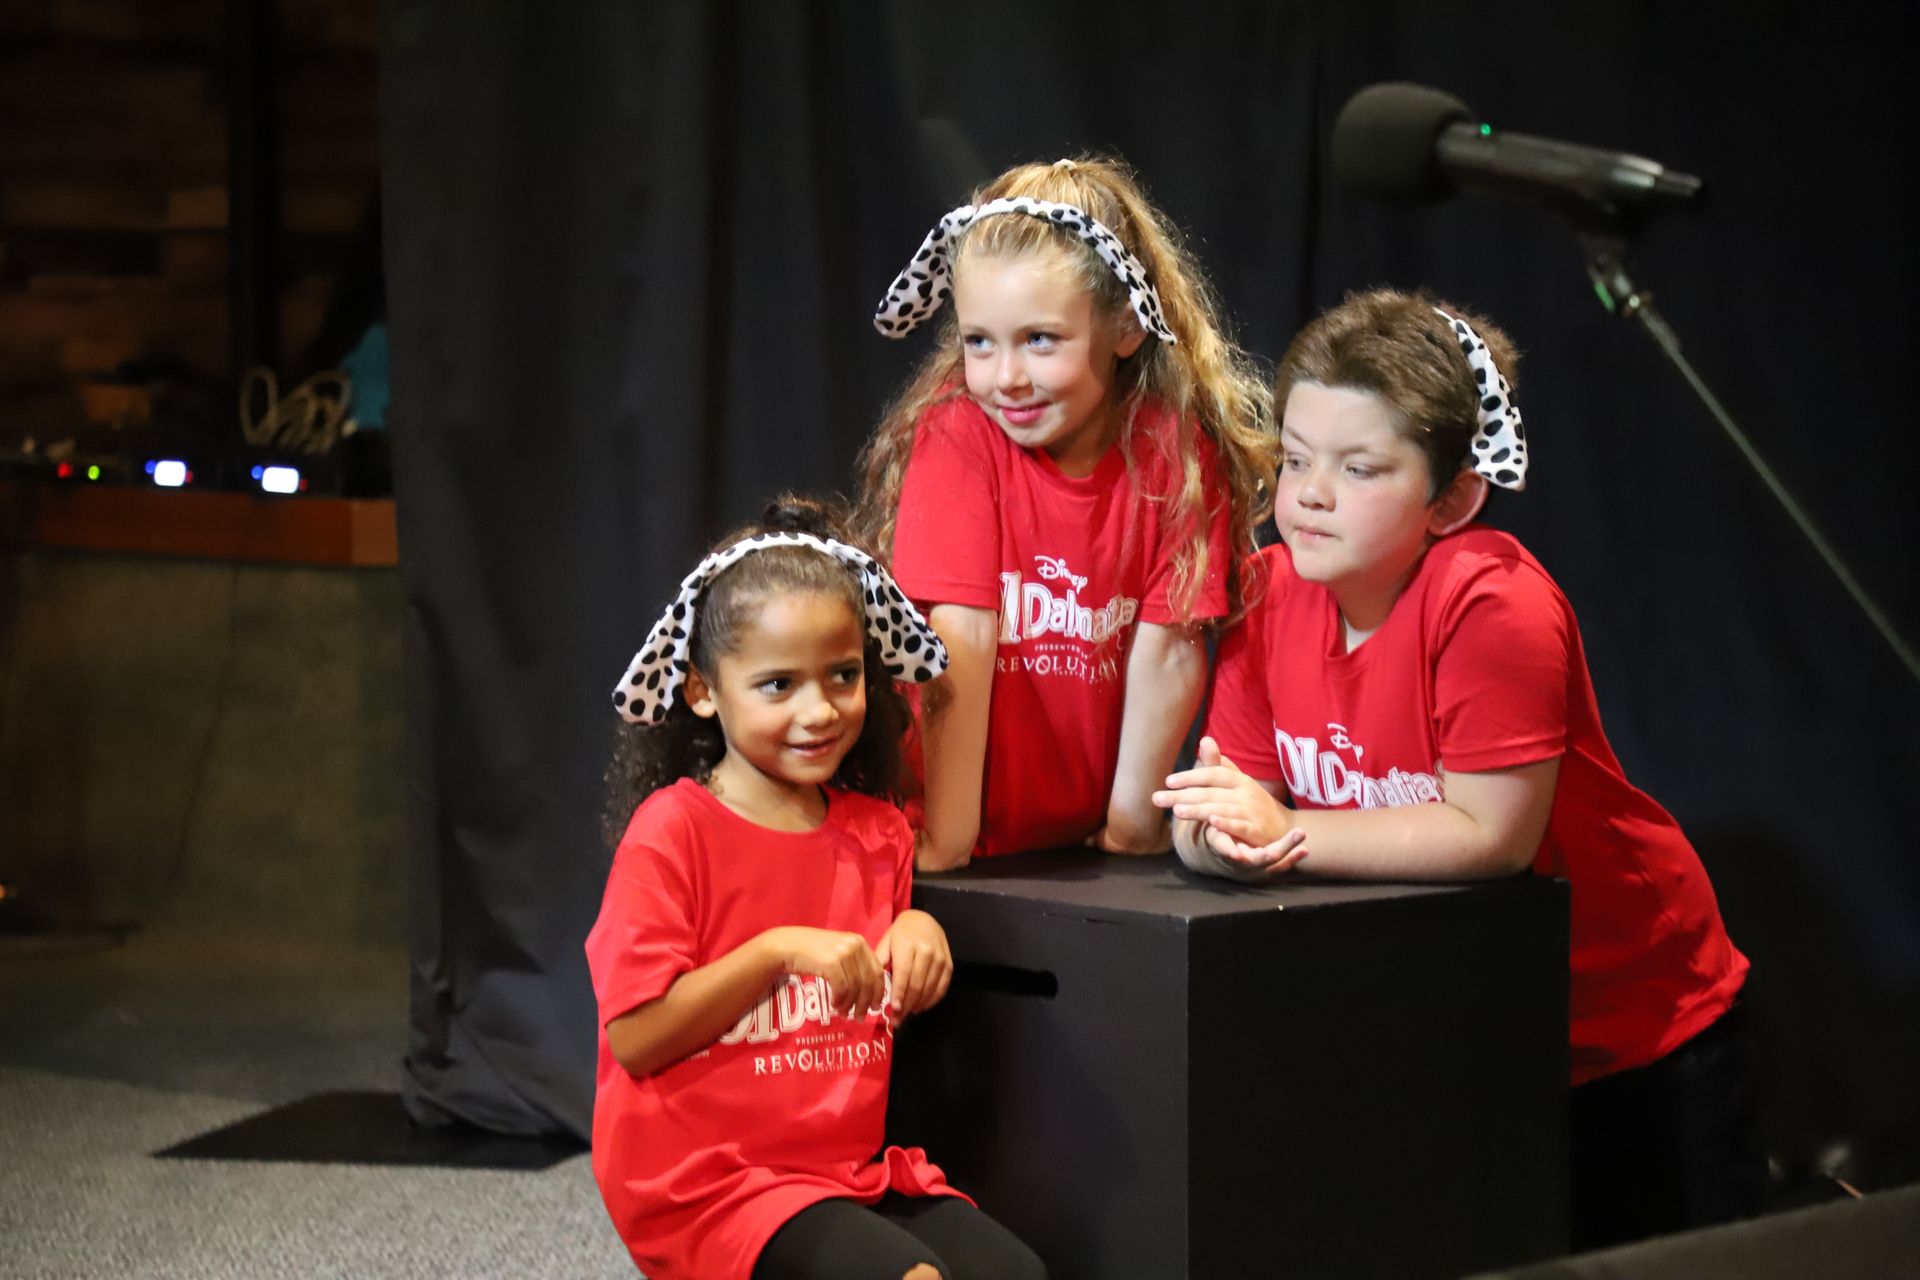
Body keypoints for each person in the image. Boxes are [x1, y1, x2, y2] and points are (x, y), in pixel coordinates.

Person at [1152, 289, 1764, 1250]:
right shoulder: (1267, 593)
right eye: (1296, 456)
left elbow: (1491, 835)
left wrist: (1284, 837)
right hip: (1455, 1027)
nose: (1308, 492)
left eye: (1359, 468)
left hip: (1630, 1022)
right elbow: (1230, 795)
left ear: (1452, 498)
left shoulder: (1491, 602)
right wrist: (1213, 839)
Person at [591, 498, 1047, 1280]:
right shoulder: (674, 833)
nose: (819, 711)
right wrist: (776, 953)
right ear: (703, 691)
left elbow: (877, 972)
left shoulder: (877, 833)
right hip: (707, 1182)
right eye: (777, 686)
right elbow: (635, 1038)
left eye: (842, 676)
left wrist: (917, 937)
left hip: (839, 1172)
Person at [856, 155, 1276, 869]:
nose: (1004, 377)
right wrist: (950, 839)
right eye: (979, 342)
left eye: (1040, 340)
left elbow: (1168, 647)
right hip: (957, 834)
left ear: (1124, 328)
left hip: (1084, 847)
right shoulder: (961, 434)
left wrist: (1129, 825)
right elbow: (960, 639)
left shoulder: (1175, 450)